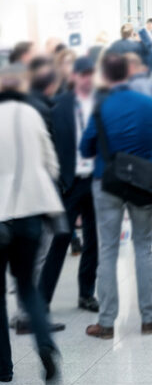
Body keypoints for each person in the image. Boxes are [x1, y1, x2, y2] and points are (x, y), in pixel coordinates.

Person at [78, 54, 152, 340]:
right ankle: (149, 318)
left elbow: (85, 148)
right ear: (128, 73)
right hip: (142, 182)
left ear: (105, 76)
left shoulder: (101, 107)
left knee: (108, 251)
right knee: (144, 248)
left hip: (107, 182)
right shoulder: (148, 104)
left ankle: (106, 322)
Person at [0, 63, 63, 383]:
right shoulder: (32, 115)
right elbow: (51, 165)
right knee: (27, 287)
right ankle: (45, 344)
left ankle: (3, 367)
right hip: (30, 215)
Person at [38, 57, 99, 314]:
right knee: (60, 239)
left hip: (95, 181)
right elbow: (48, 147)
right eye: (82, 74)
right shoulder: (58, 106)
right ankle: (42, 300)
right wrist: (56, 180)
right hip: (69, 183)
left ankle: (86, 294)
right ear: (74, 76)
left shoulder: (101, 104)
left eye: (91, 73)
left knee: (93, 240)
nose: (87, 78)